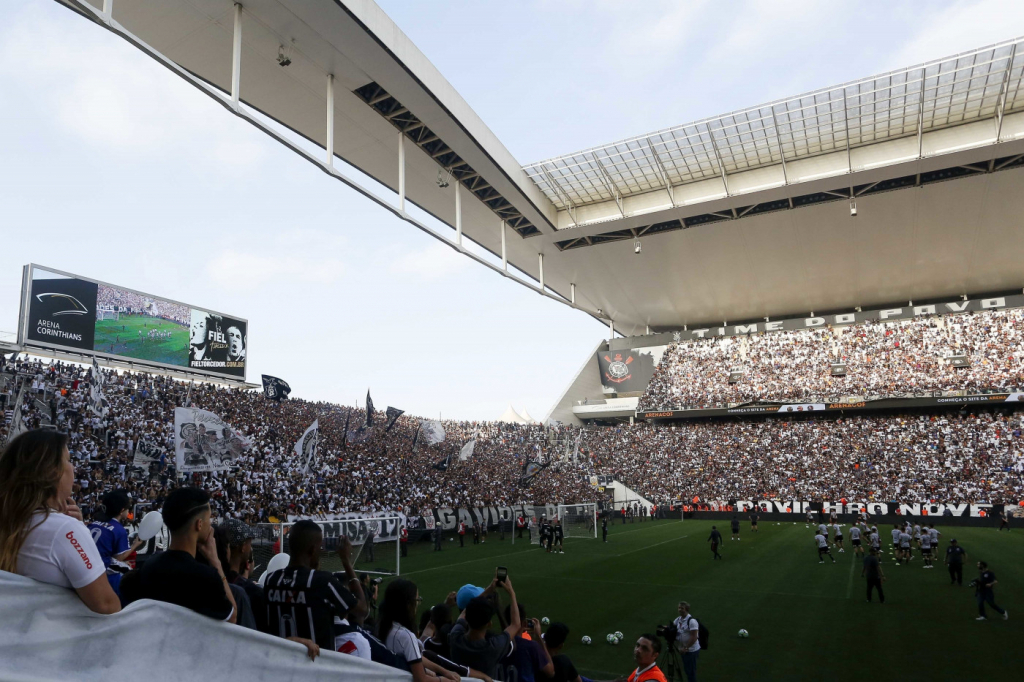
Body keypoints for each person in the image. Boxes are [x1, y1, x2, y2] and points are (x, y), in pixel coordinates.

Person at [0, 430, 121, 614]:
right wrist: (78, 530)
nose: (73, 467)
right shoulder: (65, 529)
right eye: (68, 459)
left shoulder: (12, 520)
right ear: (52, 472)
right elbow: (107, 606)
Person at [122, 487, 237, 622]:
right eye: (209, 518)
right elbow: (232, 617)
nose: (211, 524)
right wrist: (216, 563)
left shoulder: (150, 566)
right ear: (199, 524)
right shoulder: (205, 576)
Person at [263, 519, 366, 650]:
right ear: (312, 550)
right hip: (316, 664)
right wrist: (346, 561)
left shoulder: (271, 579)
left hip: (279, 661)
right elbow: (362, 610)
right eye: (320, 547)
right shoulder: (323, 582)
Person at [377, 578, 461, 682]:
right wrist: (443, 679)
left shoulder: (384, 627)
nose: (417, 604)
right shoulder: (406, 636)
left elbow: (416, 657)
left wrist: (445, 671)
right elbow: (421, 679)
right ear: (408, 604)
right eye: (417, 600)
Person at [449, 574, 520, 680]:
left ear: (467, 619)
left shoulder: (455, 637)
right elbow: (515, 625)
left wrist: (489, 589)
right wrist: (512, 593)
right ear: (489, 624)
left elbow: (465, 612)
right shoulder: (493, 647)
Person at [86, 489, 145, 597]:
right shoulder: (119, 529)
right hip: (102, 567)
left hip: (86, 562)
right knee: (130, 574)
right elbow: (119, 558)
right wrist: (135, 545)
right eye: (128, 509)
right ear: (122, 511)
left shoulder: (93, 523)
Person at [501, 604, 554, 682]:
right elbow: (550, 672)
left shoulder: (495, 642)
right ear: (525, 624)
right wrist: (538, 637)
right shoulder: (531, 646)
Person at [673, 602, 700, 682]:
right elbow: (672, 627)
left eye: (682, 608)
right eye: (679, 608)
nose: (680, 610)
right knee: (687, 670)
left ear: (687, 610)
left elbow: (694, 636)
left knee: (690, 672)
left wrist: (686, 647)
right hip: (683, 649)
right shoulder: (678, 619)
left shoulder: (692, 621)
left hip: (691, 650)